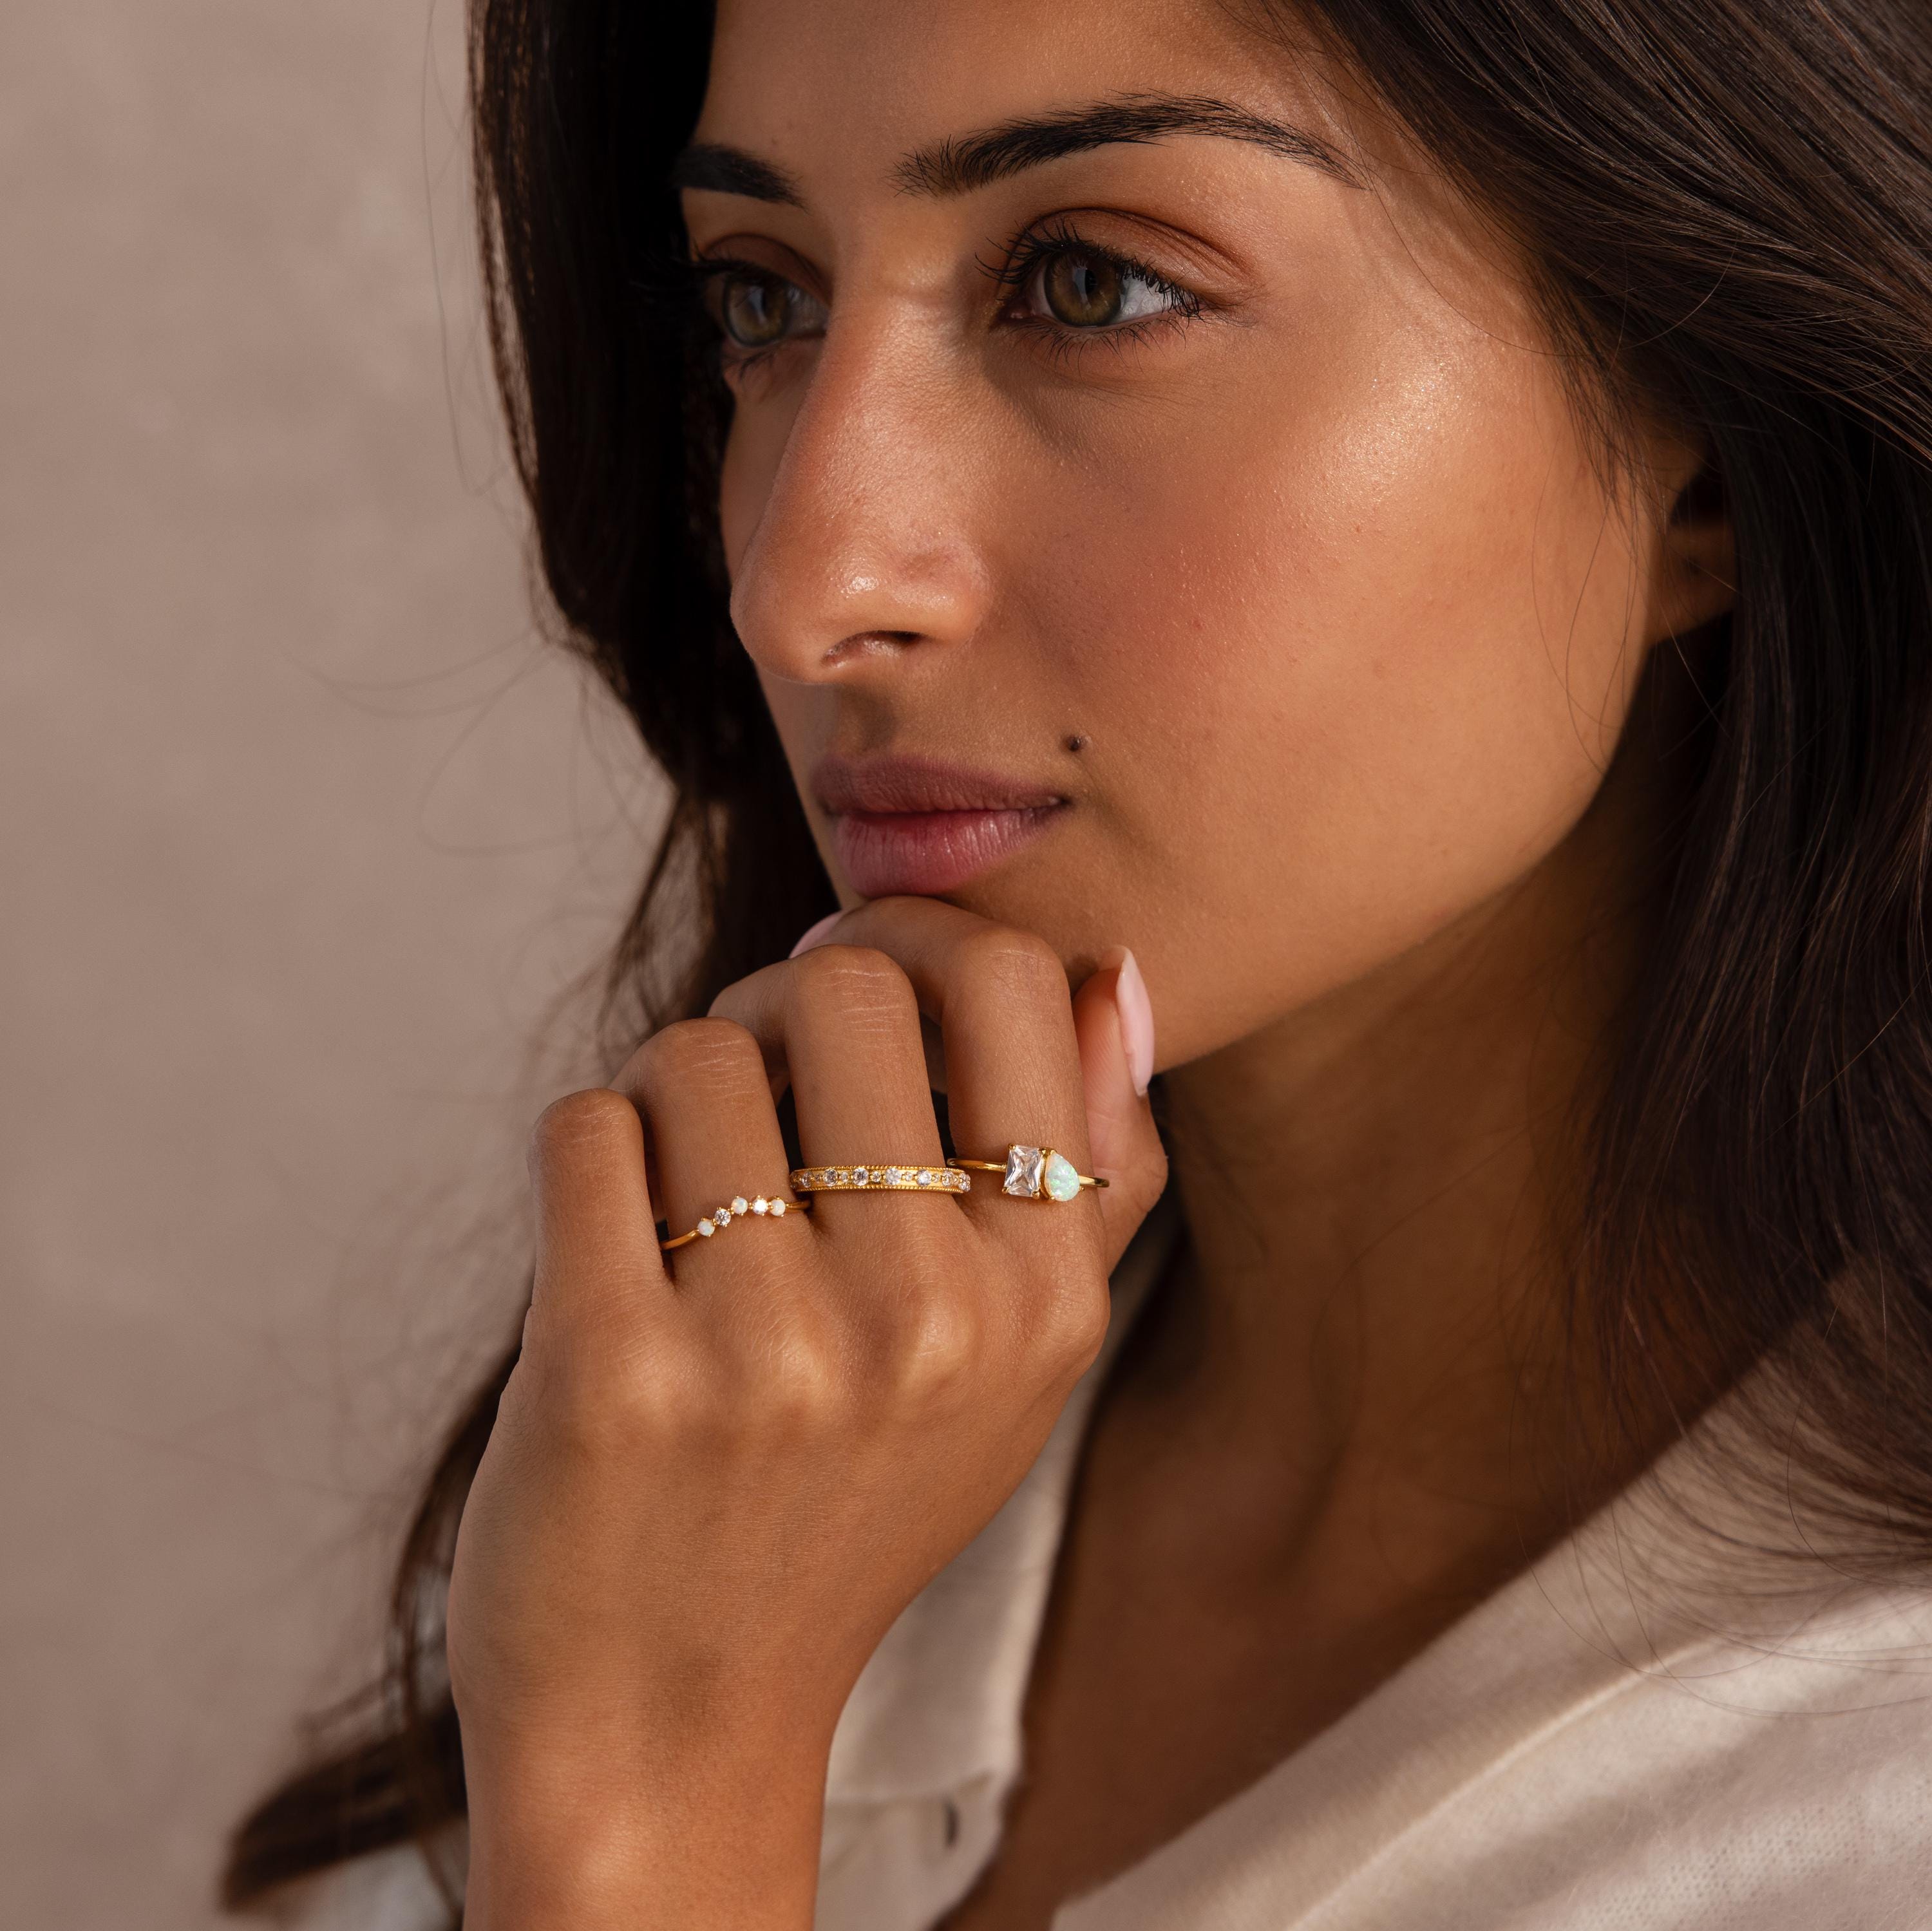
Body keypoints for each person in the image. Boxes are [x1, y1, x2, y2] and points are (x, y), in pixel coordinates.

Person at [223, 1, 1932, 1925]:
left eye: (1092, 285)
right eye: (764, 303)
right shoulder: (718, 1448)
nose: (804, 578)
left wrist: (653, 1806)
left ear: (1703, 449)